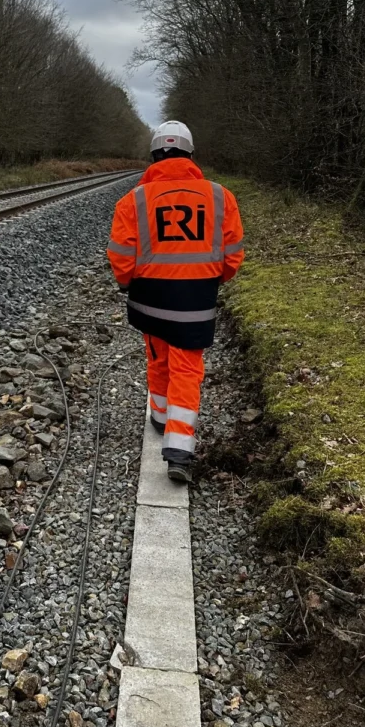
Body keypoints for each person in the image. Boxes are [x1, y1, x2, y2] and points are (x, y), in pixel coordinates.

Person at [107, 121, 244, 482]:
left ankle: (160, 415)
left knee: (158, 356)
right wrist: (213, 279)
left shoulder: (133, 200)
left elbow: (121, 257)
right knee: (187, 369)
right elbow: (232, 256)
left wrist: (127, 284)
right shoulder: (220, 197)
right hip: (196, 299)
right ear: (191, 155)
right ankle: (179, 451)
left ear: (154, 156)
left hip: (149, 299)